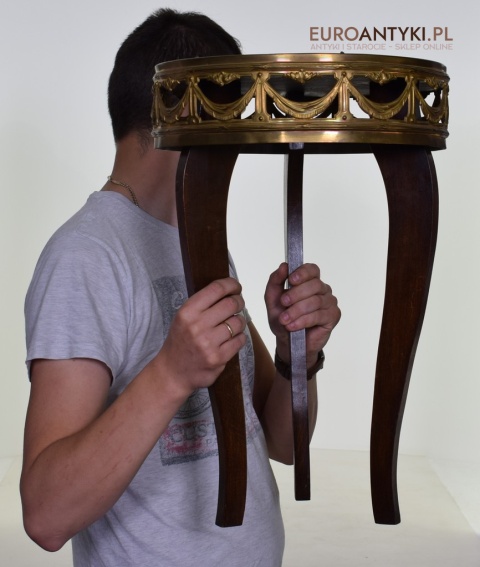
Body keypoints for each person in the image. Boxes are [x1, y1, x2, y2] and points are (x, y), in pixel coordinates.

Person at [21, 8, 340, 567]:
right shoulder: (85, 256)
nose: (241, 135)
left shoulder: (197, 237)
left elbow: (284, 443)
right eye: (235, 107)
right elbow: (46, 515)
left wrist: (299, 356)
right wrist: (170, 373)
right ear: (187, 105)